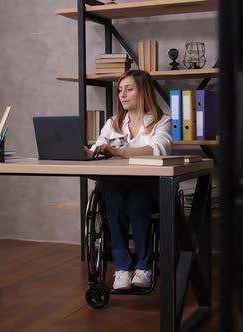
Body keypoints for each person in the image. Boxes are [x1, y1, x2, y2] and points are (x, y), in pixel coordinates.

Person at [87, 69, 172, 290]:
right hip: (117, 187)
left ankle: (144, 267)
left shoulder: (161, 121)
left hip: (148, 189)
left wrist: (119, 152)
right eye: (120, 90)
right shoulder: (114, 122)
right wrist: (87, 152)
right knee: (112, 200)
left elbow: (158, 149)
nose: (122, 95)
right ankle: (122, 268)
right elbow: (98, 146)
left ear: (143, 91)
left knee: (137, 201)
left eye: (129, 89)